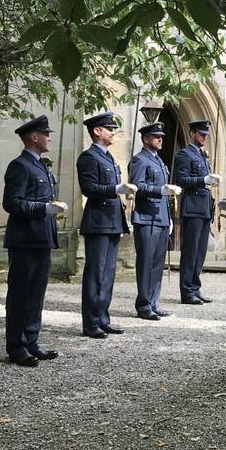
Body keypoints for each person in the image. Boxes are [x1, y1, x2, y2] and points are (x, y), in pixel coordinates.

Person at [2, 115, 64, 367]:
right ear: (34, 137)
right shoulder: (20, 165)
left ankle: (31, 341)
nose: (50, 137)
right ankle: (16, 346)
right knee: (20, 295)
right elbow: (11, 203)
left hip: (41, 238)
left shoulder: (41, 166)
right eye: (46, 133)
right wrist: (44, 208)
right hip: (24, 239)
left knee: (36, 294)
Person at [77, 112, 136, 339]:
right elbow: (89, 188)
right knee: (95, 273)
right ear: (96, 131)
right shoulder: (88, 157)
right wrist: (115, 189)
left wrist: (123, 192)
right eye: (108, 128)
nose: (113, 132)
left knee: (108, 274)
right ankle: (91, 323)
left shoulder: (109, 157)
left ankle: (103, 318)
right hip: (98, 221)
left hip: (112, 220)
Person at [128, 122, 180, 321]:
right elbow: (137, 186)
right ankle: (143, 304)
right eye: (155, 136)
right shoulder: (139, 160)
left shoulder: (159, 161)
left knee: (158, 264)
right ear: (145, 139)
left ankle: (153, 302)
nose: (160, 139)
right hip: (147, 218)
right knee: (146, 263)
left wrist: (169, 218)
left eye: (161, 136)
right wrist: (160, 190)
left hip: (161, 218)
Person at [173, 119, 221, 305]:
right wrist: (204, 180)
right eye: (201, 134)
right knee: (190, 251)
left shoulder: (202, 156)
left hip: (203, 207)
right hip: (192, 207)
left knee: (200, 252)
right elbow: (182, 180)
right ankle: (187, 291)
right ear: (192, 134)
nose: (204, 138)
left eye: (206, 135)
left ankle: (195, 287)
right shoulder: (185, 154)